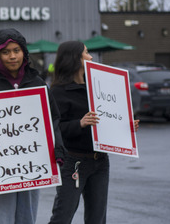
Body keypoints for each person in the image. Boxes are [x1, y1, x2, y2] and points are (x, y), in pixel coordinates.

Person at [0, 28, 65, 224]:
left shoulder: (38, 84)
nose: (12, 56)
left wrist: (57, 150)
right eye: (6, 51)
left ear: (24, 52)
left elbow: (52, 119)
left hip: (32, 163)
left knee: (27, 217)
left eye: (16, 50)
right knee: (2, 218)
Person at [47, 41, 139, 224]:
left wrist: (126, 126)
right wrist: (79, 123)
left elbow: (109, 117)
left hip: (100, 161)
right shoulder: (58, 92)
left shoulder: (99, 86)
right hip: (74, 162)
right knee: (62, 216)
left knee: (97, 218)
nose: (90, 57)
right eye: (86, 53)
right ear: (75, 59)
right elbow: (53, 129)